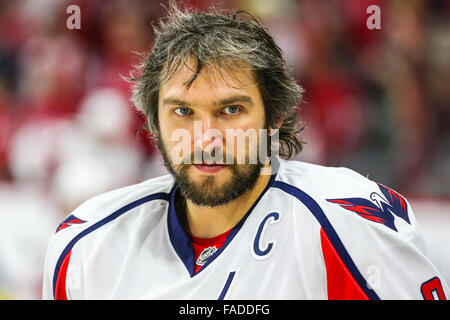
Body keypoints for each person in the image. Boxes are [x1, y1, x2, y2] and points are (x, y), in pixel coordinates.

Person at [42, 4, 448, 300]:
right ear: (154, 122)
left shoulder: (348, 227)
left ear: (274, 118)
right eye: (183, 111)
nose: (206, 138)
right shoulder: (85, 245)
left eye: (230, 110)